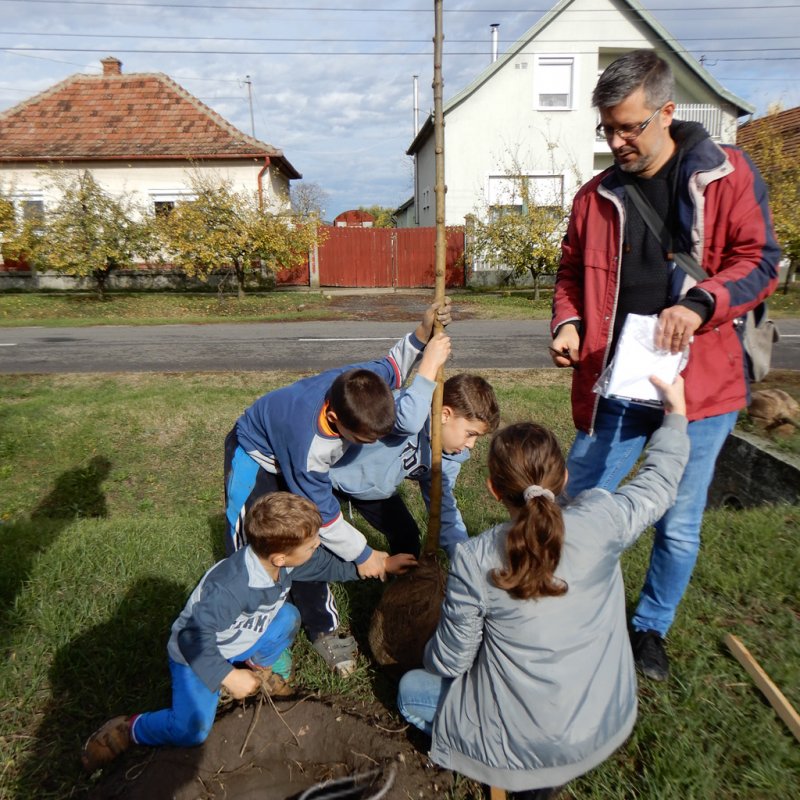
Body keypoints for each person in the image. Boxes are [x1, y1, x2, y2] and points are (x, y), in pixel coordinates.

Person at [550, 49, 780, 680]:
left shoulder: (727, 174)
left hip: (699, 391)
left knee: (677, 524)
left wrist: (705, 301)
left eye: (630, 127)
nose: (617, 141)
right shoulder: (594, 196)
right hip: (613, 387)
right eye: (608, 128)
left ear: (667, 112)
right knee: (576, 505)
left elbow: (762, 261)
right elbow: (570, 272)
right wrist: (566, 321)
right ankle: (566, 612)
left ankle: (649, 629)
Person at [396, 376, 690, 798]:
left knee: (412, 690)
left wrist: (427, 649)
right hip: (603, 721)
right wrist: (675, 415)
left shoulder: (475, 559)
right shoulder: (604, 520)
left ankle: (499, 768)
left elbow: (451, 662)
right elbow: (659, 484)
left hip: (522, 741)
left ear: (494, 489)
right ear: (565, 477)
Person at [81, 492, 416, 773]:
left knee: (287, 617)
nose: (318, 548)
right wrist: (228, 676)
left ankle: (257, 668)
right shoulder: (231, 588)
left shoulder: (279, 563)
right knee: (191, 730)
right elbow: (191, 638)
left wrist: (380, 564)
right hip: (197, 653)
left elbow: (327, 566)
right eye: (313, 544)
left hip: (239, 638)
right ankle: (131, 728)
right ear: (281, 556)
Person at [224, 300, 451, 675]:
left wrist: (423, 332)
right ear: (334, 418)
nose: (370, 445)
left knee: (304, 544)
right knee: (263, 548)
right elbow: (326, 520)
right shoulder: (309, 446)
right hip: (255, 455)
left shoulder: (361, 383)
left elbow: (394, 364)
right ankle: (254, 637)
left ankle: (323, 628)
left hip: (296, 458)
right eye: (363, 438)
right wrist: (366, 557)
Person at [330, 373, 500, 559]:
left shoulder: (449, 458)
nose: (471, 444)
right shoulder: (405, 410)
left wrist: (464, 559)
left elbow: (445, 509)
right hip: (332, 475)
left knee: (407, 536)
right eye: (470, 434)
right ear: (445, 415)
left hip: (375, 490)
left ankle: (406, 585)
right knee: (309, 534)